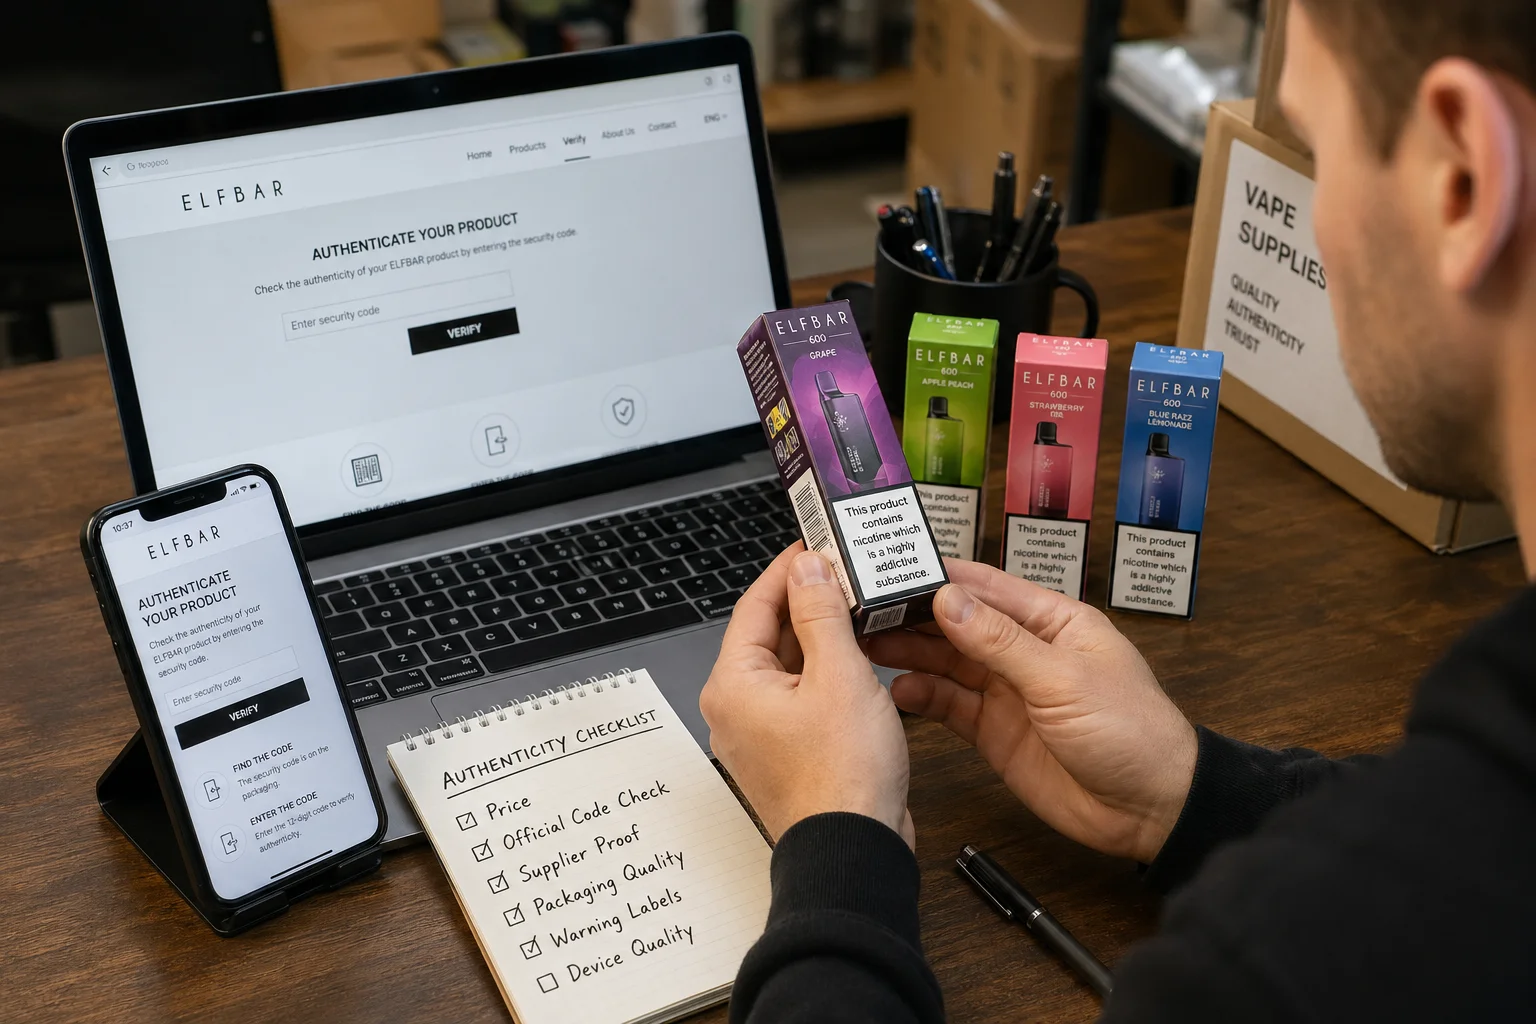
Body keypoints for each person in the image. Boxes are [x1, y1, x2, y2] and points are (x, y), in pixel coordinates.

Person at [700, 0, 1536, 1019]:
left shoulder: (1282, 963)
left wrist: (834, 846)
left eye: (1317, 150)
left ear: (1464, 179)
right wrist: (1194, 794)